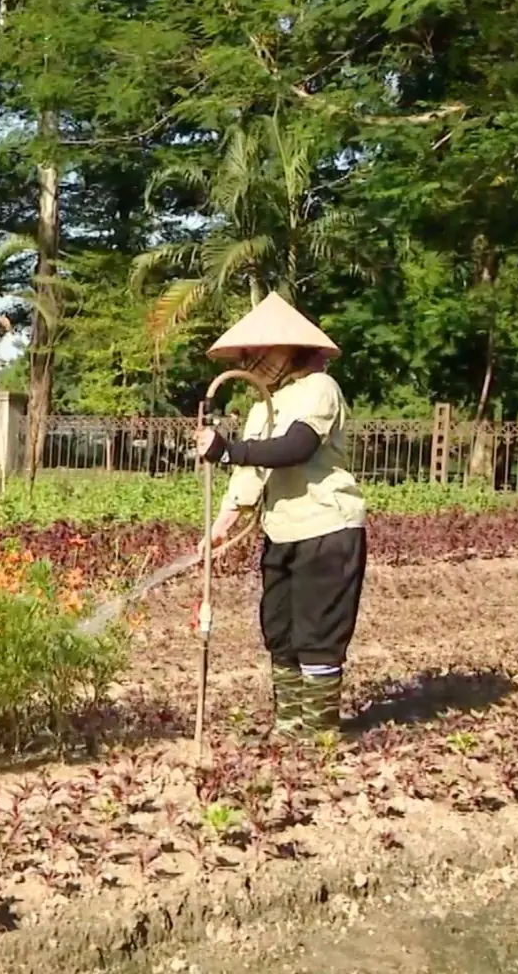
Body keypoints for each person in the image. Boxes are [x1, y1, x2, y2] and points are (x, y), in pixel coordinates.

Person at [192, 294, 367, 739]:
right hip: (282, 532)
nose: (253, 360)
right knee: (280, 630)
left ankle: (320, 734)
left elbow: (296, 447)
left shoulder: (319, 389)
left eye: (262, 352)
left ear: (293, 350)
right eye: (248, 354)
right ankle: (290, 728)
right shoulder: (259, 408)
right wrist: (221, 526)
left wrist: (227, 449)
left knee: (317, 633)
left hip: (327, 528)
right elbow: (252, 474)